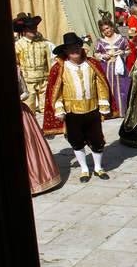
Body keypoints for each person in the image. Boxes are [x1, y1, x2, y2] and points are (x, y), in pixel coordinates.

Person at [43, 33, 114, 182]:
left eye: (76, 47)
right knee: (76, 140)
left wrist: (103, 103)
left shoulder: (92, 64)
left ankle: (98, 168)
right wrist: (59, 108)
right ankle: (84, 169)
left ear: (81, 48)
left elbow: (101, 85)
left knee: (97, 139)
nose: (74, 50)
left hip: (92, 108)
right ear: (66, 51)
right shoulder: (59, 68)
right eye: (70, 48)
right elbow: (55, 91)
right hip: (72, 111)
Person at [18, 67, 61, 194]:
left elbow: (25, 93)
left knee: (29, 146)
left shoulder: (16, 70)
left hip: (20, 113)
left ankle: (37, 181)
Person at [13, 13, 53, 114]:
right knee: (29, 107)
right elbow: (16, 63)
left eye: (35, 28)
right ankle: (32, 128)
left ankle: (48, 127)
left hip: (44, 79)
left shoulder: (43, 44)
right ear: (25, 30)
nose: (34, 30)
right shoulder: (18, 45)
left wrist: (51, 75)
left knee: (46, 107)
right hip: (28, 80)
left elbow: (49, 60)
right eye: (31, 28)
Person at [94, 20, 131, 117]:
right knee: (109, 88)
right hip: (107, 68)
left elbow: (128, 51)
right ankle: (112, 112)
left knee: (123, 87)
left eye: (107, 28)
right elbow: (96, 54)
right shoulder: (100, 41)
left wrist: (122, 53)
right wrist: (103, 56)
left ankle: (123, 110)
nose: (106, 31)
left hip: (120, 67)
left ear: (112, 27)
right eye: (104, 30)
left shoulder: (122, 39)